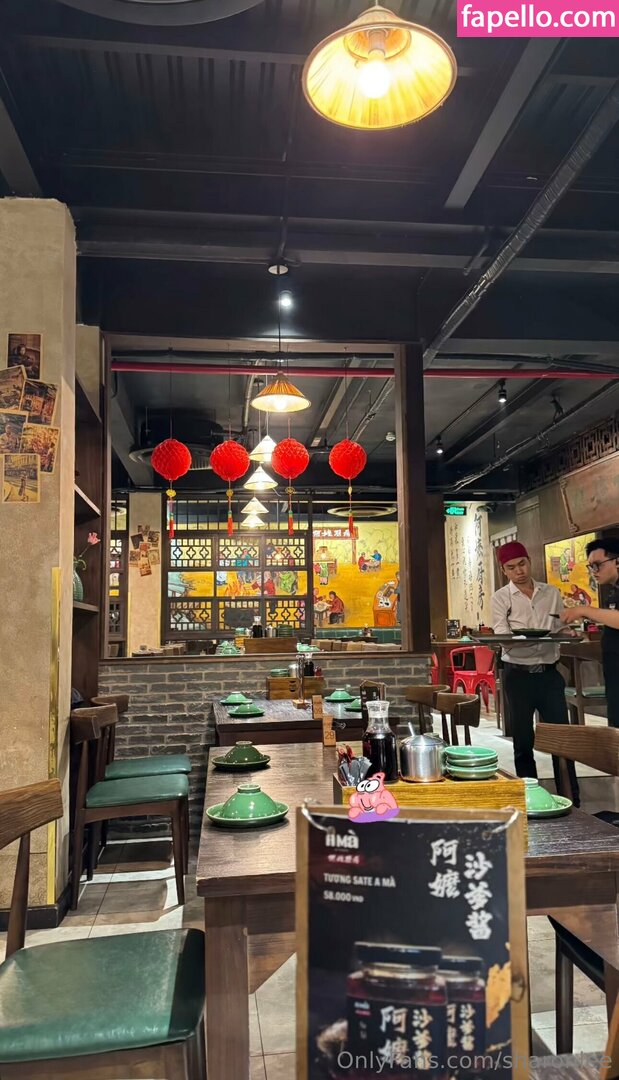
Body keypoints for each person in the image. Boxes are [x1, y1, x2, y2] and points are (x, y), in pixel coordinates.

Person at [492, 541, 579, 804]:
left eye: (522, 564)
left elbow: (558, 628)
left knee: (561, 739)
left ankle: (571, 798)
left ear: (529, 561)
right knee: (522, 741)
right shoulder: (501, 598)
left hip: (549, 675)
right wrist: (530, 639)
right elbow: (502, 637)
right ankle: (530, 798)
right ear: (504, 570)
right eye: (511, 567)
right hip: (518, 675)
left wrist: (567, 632)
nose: (519, 571)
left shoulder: (550, 592)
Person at [559, 536, 619, 728]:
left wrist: (585, 610)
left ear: (617, 561)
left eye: (597, 565)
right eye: (590, 566)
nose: (594, 571)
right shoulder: (613, 591)